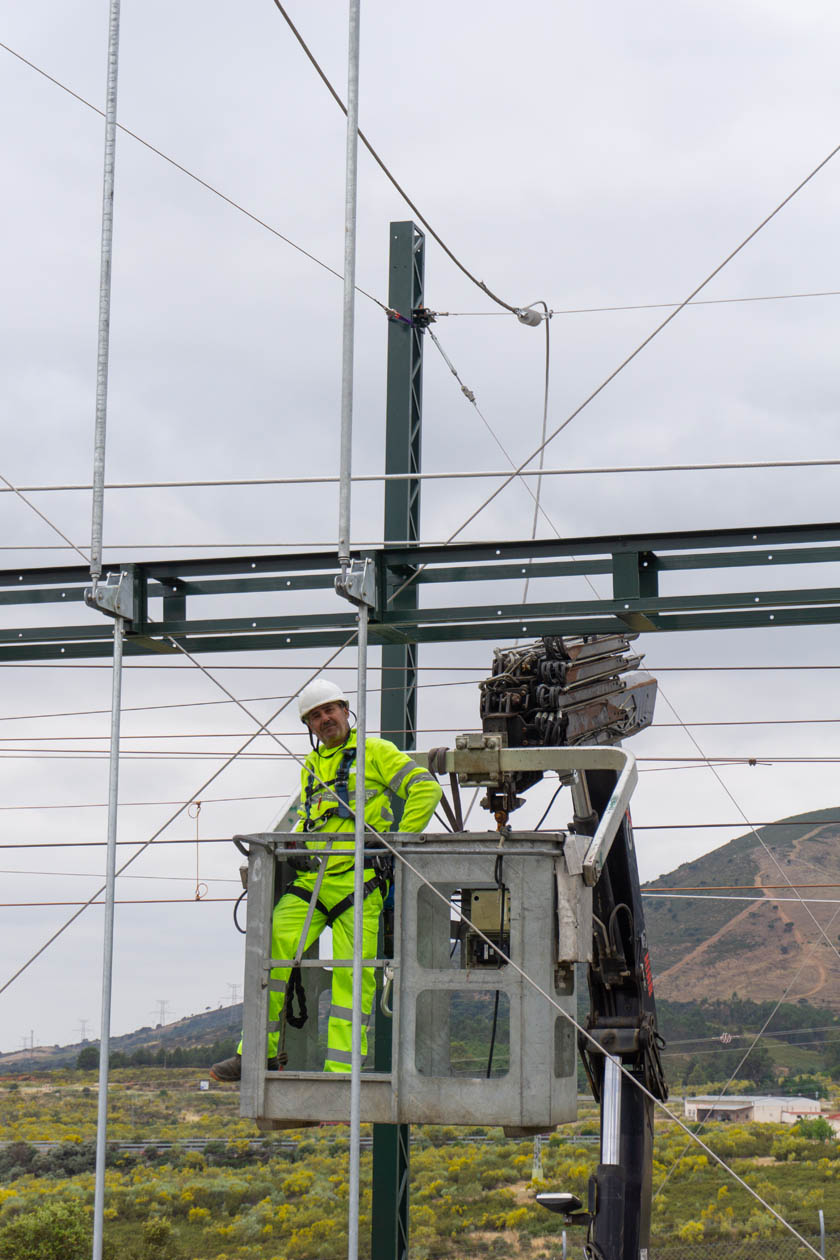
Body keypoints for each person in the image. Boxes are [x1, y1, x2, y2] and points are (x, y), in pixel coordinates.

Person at [210, 678, 441, 1080]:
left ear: (346, 710)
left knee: (355, 979)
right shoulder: (312, 767)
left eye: (329, 710)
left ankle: (340, 1073)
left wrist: (394, 845)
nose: (324, 719)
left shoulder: (377, 752)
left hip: (361, 881)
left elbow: (425, 789)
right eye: (315, 716)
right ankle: (255, 1054)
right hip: (317, 880)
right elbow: (310, 819)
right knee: (268, 950)